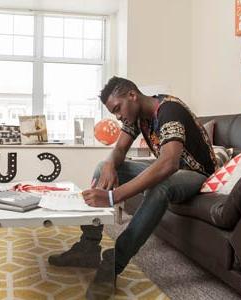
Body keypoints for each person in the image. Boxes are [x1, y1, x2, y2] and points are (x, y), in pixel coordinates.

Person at [48, 77, 217, 295]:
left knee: (160, 187)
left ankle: (113, 264)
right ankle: (88, 247)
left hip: (197, 174)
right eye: (114, 113)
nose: (118, 117)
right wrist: (109, 164)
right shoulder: (137, 117)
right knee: (102, 167)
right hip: (171, 168)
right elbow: (119, 150)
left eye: (118, 109)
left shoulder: (170, 110)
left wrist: (113, 197)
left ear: (132, 95)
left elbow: (169, 163)